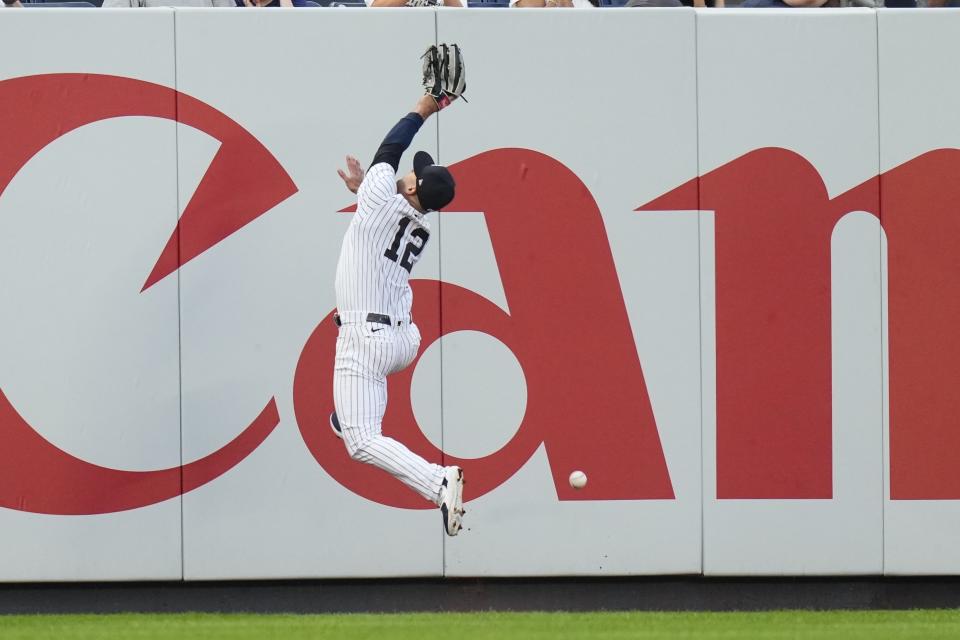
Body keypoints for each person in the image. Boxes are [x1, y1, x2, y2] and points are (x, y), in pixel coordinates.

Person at [329, 45, 468, 537]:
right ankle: (346, 411)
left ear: (412, 190)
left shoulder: (384, 202)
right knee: (350, 419)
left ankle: (438, 481)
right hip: (399, 340)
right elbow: (381, 196)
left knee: (361, 442)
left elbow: (388, 150)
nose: (408, 169)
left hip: (366, 339)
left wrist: (426, 106)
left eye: (414, 173)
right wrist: (364, 193)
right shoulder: (411, 218)